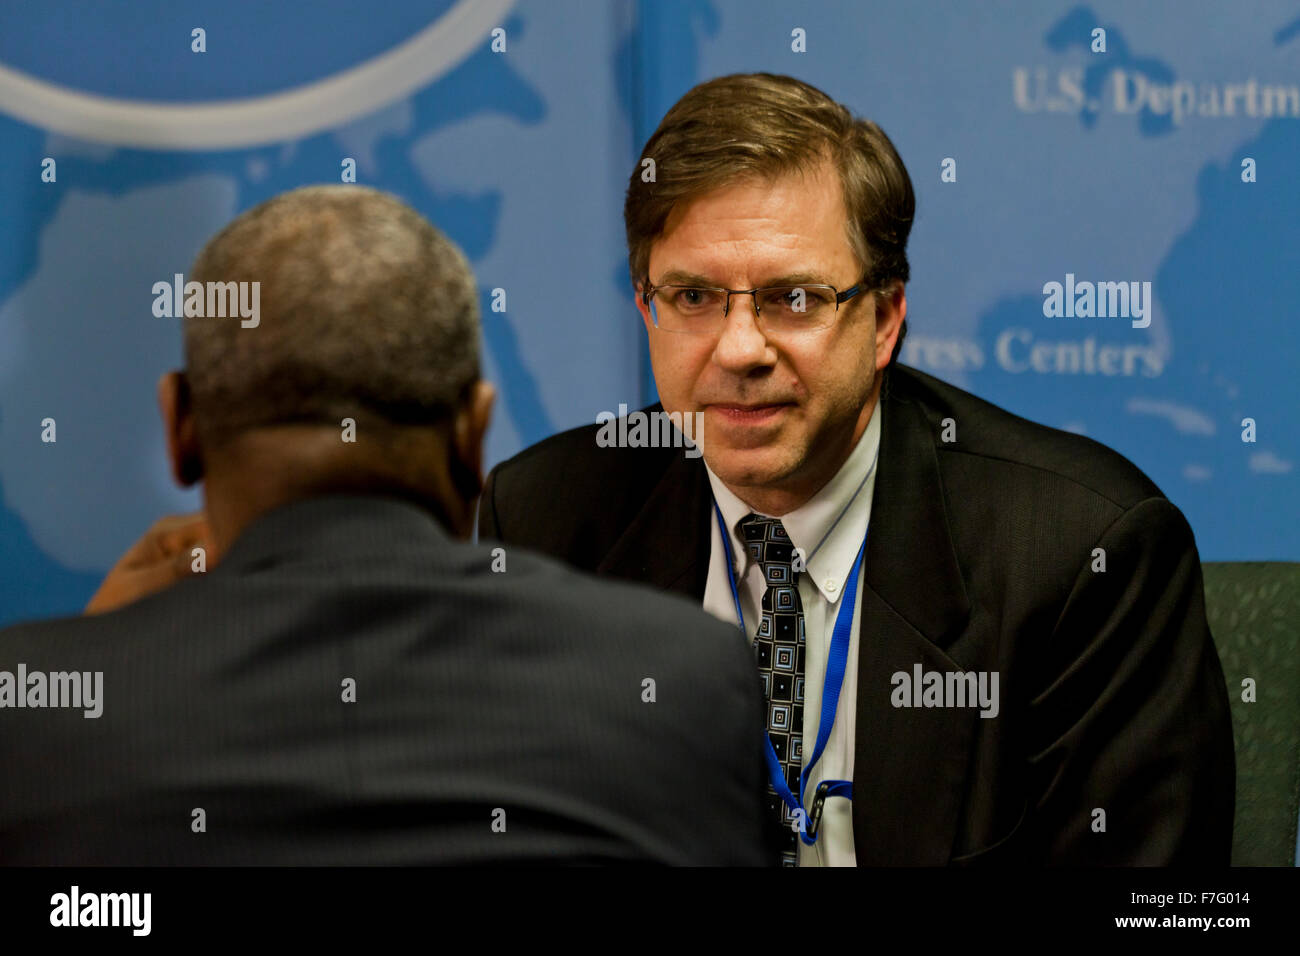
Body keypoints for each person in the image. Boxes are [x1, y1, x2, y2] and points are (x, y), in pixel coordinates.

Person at [478, 73, 1236, 865]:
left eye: (794, 298)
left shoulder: (1080, 554)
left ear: (884, 320)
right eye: (694, 297)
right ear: (647, 309)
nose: (740, 350)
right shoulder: (546, 522)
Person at [0, 185, 769, 865]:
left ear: (180, 429)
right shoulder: (682, 679)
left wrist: (88, 679)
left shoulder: (33, 718)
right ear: (473, 437)